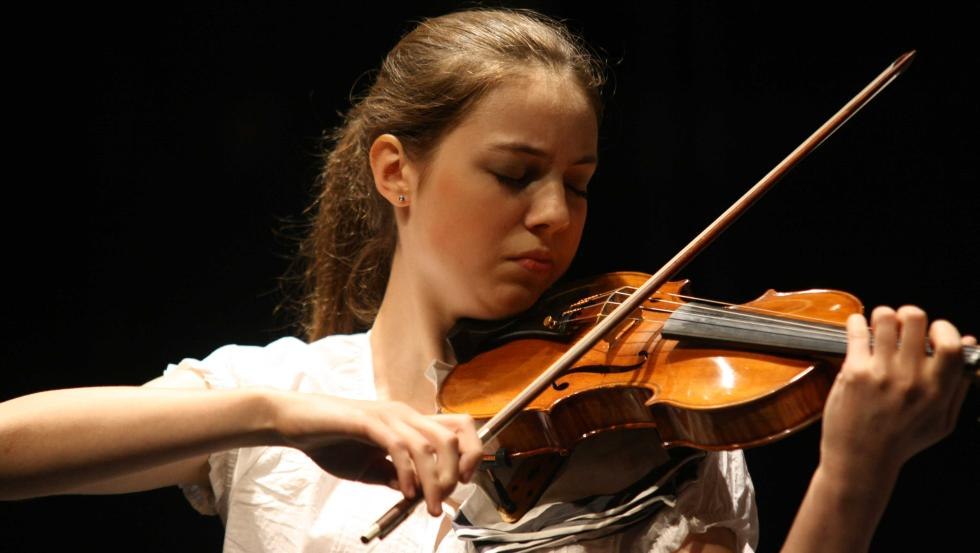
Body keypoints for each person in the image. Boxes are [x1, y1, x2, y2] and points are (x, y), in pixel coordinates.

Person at [0, 8, 973, 553]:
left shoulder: (670, 438)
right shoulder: (278, 398)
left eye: (578, 184)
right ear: (397, 173)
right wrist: (278, 414)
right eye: (513, 176)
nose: (554, 216)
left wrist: (853, 472)